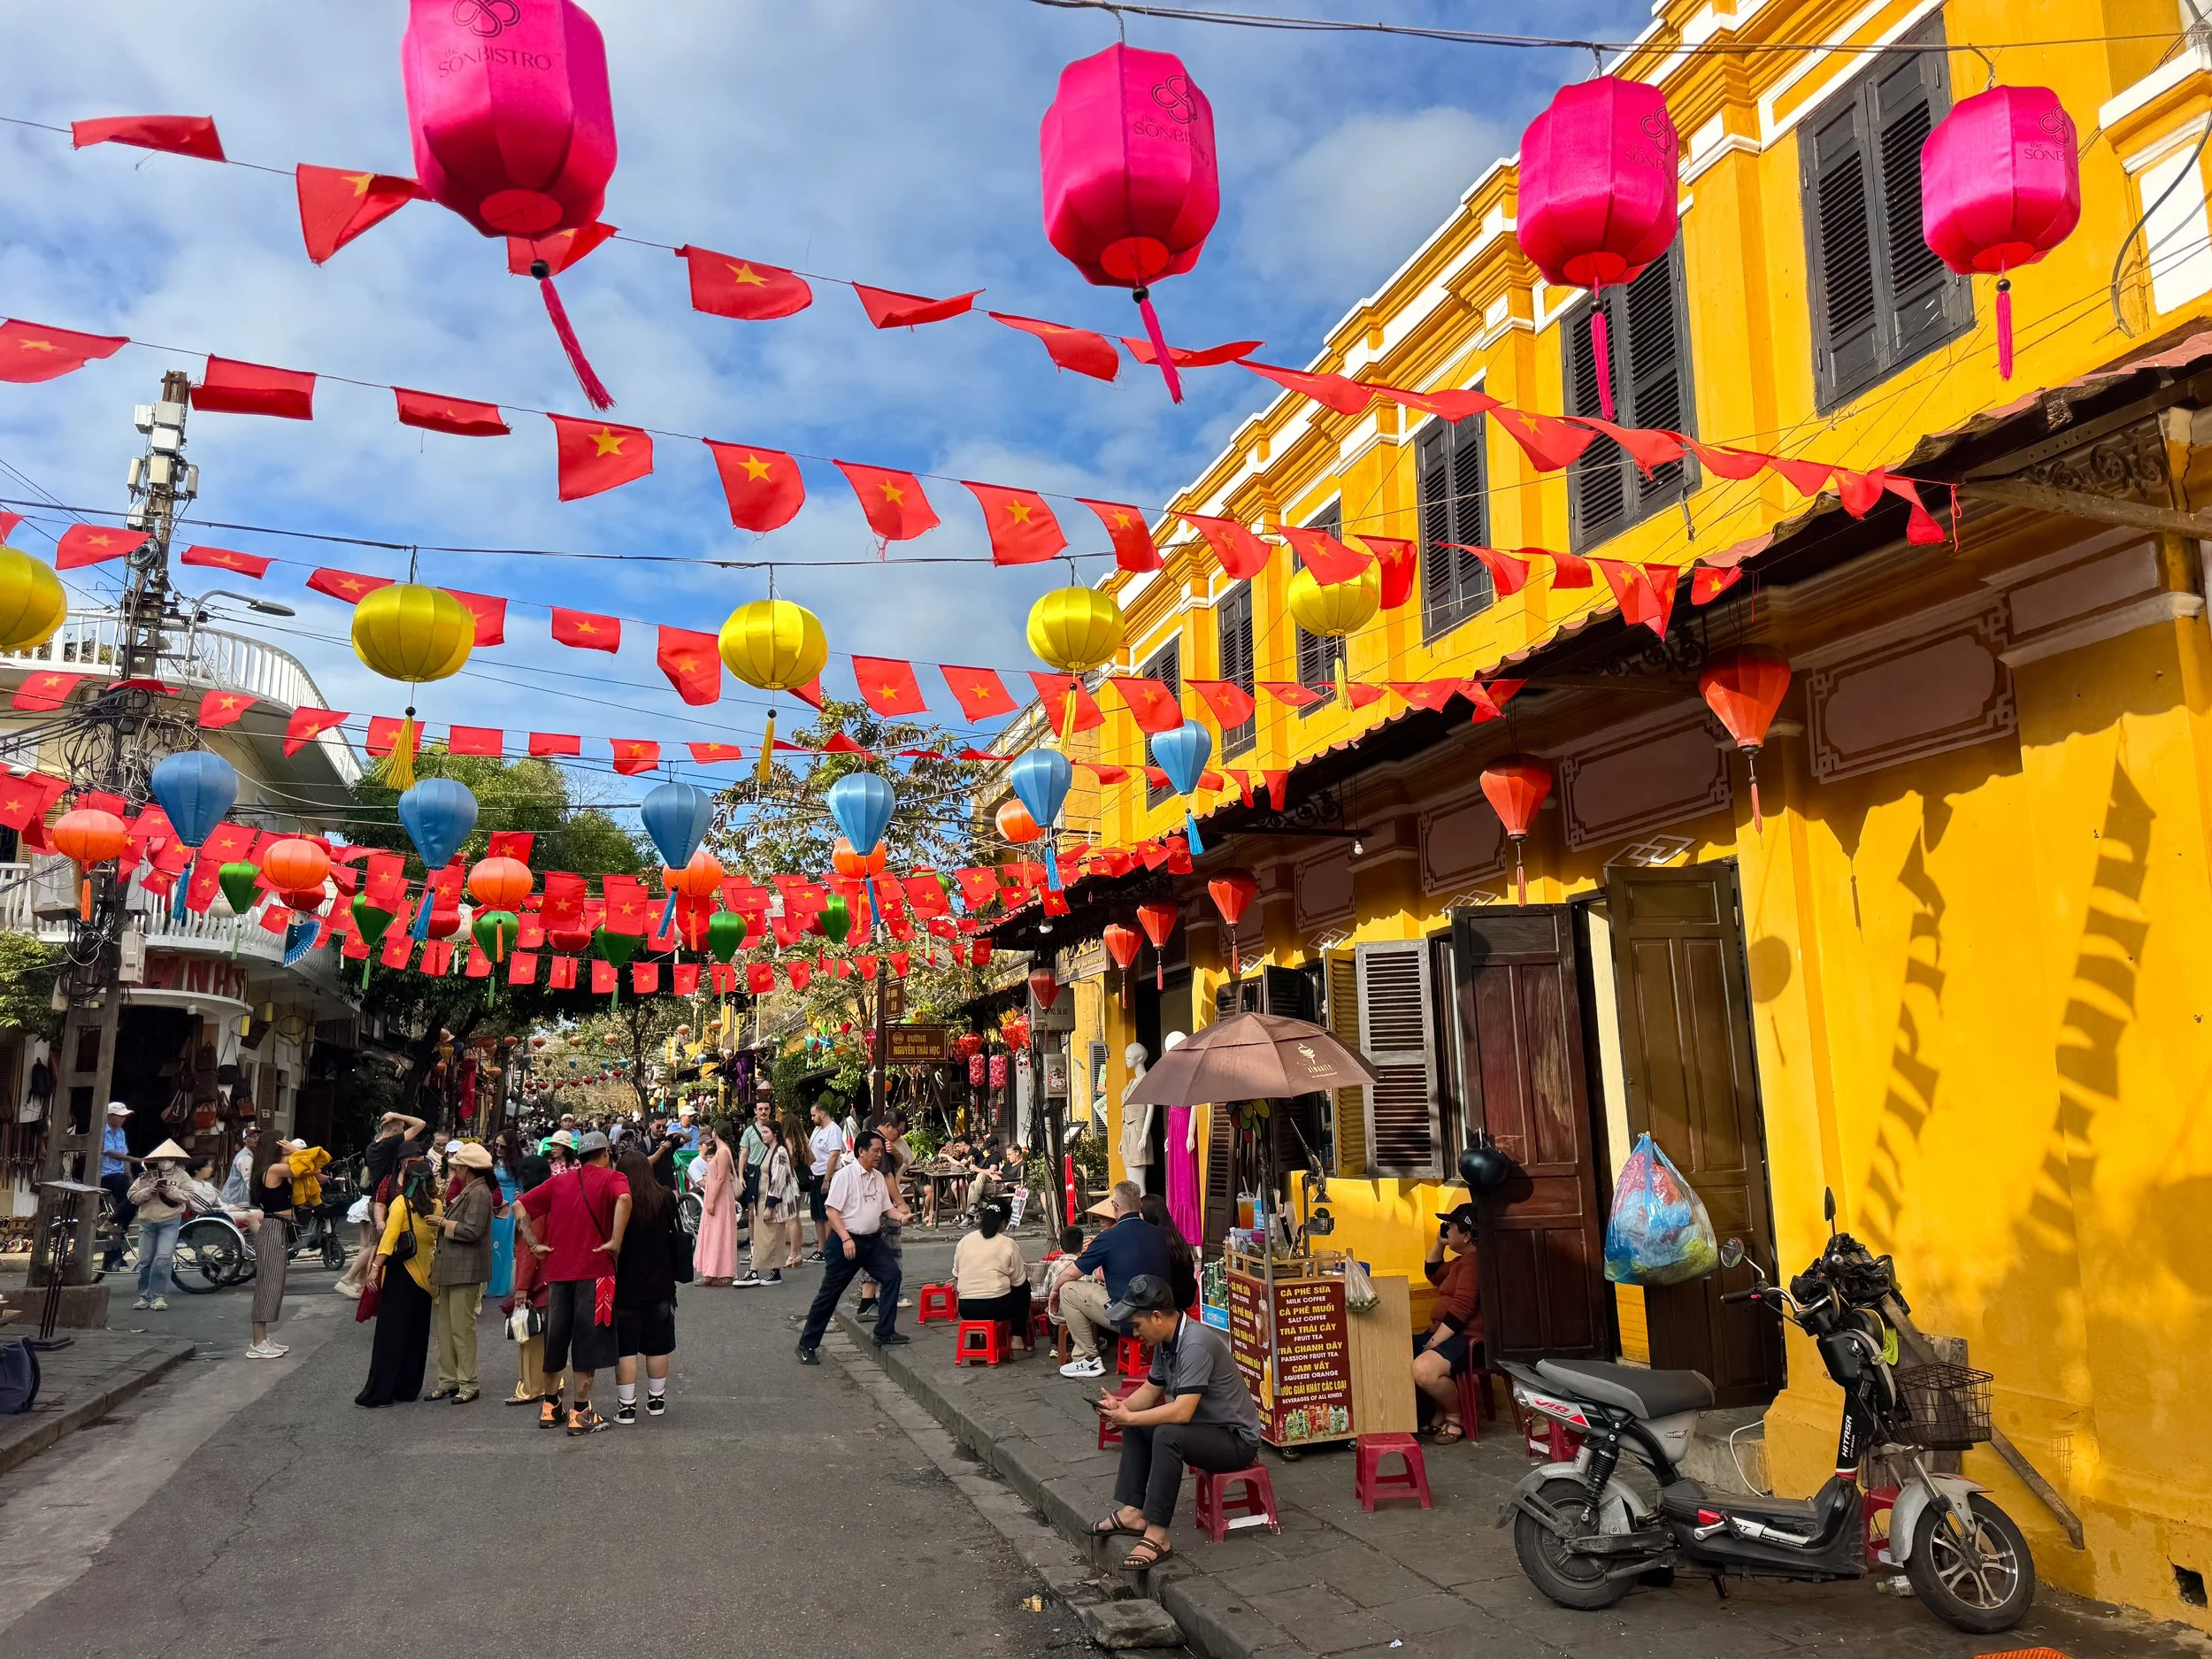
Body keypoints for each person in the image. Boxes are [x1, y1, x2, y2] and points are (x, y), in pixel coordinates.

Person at [1091, 1273, 1263, 1571]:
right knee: (1140, 1426)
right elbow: (1150, 1389)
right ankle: (1134, 1512)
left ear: (1156, 1317)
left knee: (1166, 1435)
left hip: (1235, 1440)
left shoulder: (1195, 1344)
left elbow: (1182, 1412)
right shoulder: (1166, 1341)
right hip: (1207, 1430)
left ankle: (1158, 1535)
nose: (1135, 1334)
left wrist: (1130, 1416)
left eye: (1137, 1325)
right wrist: (1121, 1408)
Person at [517, 1128, 632, 1435]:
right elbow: (623, 1199)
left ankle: (551, 1405)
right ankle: (581, 1411)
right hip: (596, 1272)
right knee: (588, 1341)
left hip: (558, 1274)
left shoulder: (559, 1181)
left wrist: (533, 1243)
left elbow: (519, 1207)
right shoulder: (612, 1178)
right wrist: (616, 1241)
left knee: (555, 1340)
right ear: (606, 1154)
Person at [795, 1128, 910, 1363]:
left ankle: (884, 1331)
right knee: (830, 1293)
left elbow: (885, 1207)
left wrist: (900, 1217)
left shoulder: (878, 1177)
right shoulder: (845, 1176)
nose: (879, 1155)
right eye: (875, 1151)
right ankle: (807, 1344)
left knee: (891, 1275)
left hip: (871, 1241)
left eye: (880, 1151)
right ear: (861, 1151)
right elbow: (831, 1211)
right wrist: (846, 1238)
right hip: (845, 1242)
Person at [1060, 1180, 1171, 1379]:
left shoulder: (1108, 1238)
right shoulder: (1160, 1235)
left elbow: (1070, 1274)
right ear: (1139, 1206)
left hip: (1129, 1318)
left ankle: (1088, 1358)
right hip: (1162, 1313)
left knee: (1068, 1290)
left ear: (1116, 1206)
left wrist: (1052, 1293)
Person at [357, 1154, 441, 1406]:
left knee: (390, 1337)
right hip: (426, 1278)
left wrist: (374, 1269)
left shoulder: (401, 1205)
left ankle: (381, 1392)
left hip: (401, 1275)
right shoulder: (437, 1206)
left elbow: (389, 1238)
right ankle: (407, 1388)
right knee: (417, 1335)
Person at [612, 1146, 682, 1425]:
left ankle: (627, 1407)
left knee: (626, 1347)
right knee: (658, 1344)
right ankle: (657, 1400)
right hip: (660, 1282)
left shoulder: (618, 1200)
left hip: (625, 1283)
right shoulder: (664, 1196)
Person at [427, 1142, 497, 1403]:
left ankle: (468, 1382)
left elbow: (473, 1230)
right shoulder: (471, 1189)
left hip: (466, 1269)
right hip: (453, 1268)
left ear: (467, 1167)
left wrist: (443, 1222)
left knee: (462, 1328)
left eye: (456, 1166)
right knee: (446, 1328)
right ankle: (448, 1380)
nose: (453, 1169)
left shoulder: (479, 1193)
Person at [1414, 1202, 1483, 1443]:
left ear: (1466, 1235)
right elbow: (1432, 1273)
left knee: (1424, 1369)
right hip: (1448, 1333)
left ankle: (1455, 1415)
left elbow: (1463, 1308)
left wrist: (1433, 1342)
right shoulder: (1459, 1262)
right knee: (1397, 1352)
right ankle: (1440, 1411)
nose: (1446, 1229)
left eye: (1450, 1226)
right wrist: (1439, 1243)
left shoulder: (1474, 1263)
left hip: (1467, 1337)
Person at [124, 1138, 195, 1312]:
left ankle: (159, 1296)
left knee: (163, 1258)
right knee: (145, 1260)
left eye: (169, 1158)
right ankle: (144, 1295)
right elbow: (132, 1196)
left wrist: (169, 1191)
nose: (165, 1161)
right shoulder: (147, 1176)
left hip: (170, 1221)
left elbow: (188, 1195)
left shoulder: (182, 1176)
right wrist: (150, 1190)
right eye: (162, 1158)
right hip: (147, 1221)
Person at [247, 1138, 301, 1360]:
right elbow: (306, 1168)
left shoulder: (267, 1168)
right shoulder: (274, 1169)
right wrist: (295, 1151)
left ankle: (262, 1338)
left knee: (274, 1285)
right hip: (273, 1227)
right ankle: (257, 1343)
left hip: (277, 1227)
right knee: (268, 1285)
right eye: (284, 1144)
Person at [857, 1109, 913, 1318]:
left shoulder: (878, 1143)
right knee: (889, 1251)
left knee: (876, 1251)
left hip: (874, 1205)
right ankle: (890, 1294)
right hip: (881, 1206)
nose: (900, 1135)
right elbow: (888, 1175)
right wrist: (900, 1202)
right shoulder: (876, 1144)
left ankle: (868, 1299)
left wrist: (895, 1152)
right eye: (898, 1131)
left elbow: (897, 1165)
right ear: (888, 1126)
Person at [952, 1199, 1031, 1339]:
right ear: (1003, 1223)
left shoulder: (964, 1241)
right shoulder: (1008, 1243)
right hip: (997, 1307)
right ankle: (1017, 1338)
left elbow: (956, 1275)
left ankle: (977, 1341)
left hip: (966, 1308)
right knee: (1024, 1289)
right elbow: (1019, 1281)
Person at [747, 1119, 803, 1285]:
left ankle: (764, 1270)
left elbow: (778, 1180)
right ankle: (759, 1269)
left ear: (775, 1134)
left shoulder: (780, 1153)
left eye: (766, 1132)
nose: (763, 1135)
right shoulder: (770, 1150)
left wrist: (770, 1205)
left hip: (773, 1200)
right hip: (763, 1198)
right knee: (765, 1236)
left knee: (772, 1236)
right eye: (762, 1132)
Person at [733, 1094, 777, 1285]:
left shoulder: (774, 1129)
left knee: (769, 1212)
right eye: (760, 1109)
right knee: (752, 1213)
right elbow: (744, 1153)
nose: (763, 1112)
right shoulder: (749, 1131)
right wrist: (741, 1176)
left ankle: (768, 1254)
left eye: (766, 1109)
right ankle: (753, 1251)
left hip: (770, 1172)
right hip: (753, 1172)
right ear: (755, 1111)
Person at [1140, 1194, 1201, 1313]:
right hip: (1184, 1299)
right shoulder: (1175, 1236)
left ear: (1148, 1214)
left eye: (1139, 1212)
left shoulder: (1154, 1240)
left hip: (1167, 1303)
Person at [693, 1127, 737, 1286]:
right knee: (712, 1232)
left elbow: (720, 1178)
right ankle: (710, 1271)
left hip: (720, 1197)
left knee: (721, 1232)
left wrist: (711, 1200)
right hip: (715, 1194)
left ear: (715, 1133)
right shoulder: (720, 1151)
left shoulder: (723, 1151)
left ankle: (724, 1272)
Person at [98, 1102, 136, 1271]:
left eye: (123, 1116)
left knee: (131, 1206)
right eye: (119, 1116)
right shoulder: (102, 1132)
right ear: (110, 1116)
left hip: (120, 1177)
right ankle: (111, 1221)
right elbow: (111, 1153)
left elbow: (125, 1158)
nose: (122, 1119)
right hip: (105, 1176)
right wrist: (137, 1160)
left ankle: (115, 1253)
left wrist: (131, 1178)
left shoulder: (121, 1133)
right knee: (129, 1200)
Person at [805, 1102, 844, 1261]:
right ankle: (821, 1248)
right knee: (817, 1214)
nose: (812, 1118)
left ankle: (829, 1247)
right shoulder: (817, 1130)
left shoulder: (833, 1130)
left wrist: (827, 1180)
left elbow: (834, 1155)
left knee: (827, 1213)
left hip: (826, 1174)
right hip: (814, 1174)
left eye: (814, 1115)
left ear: (822, 1114)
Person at [219, 1125, 260, 1206]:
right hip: (236, 1199)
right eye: (252, 1136)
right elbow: (249, 1181)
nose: (256, 1139)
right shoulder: (245, 1157)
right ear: (244, 1140)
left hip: (237, 1198)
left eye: (258, 1136)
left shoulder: (251, 1153)